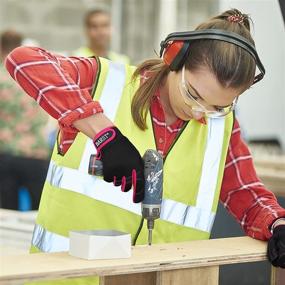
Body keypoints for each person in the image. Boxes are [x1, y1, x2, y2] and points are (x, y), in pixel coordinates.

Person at [5, 8, 285, 284]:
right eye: (193, 94)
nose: (200, 113)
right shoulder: (105, 83)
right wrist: (104, 134)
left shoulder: (222, 126)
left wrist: (276, 224)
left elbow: (244, 192)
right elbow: (23, 61)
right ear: (174, 58)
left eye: (217, 107)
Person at [0, 30, 50, 210]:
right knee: (40, 211)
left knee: (7, 213)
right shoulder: (35, 76)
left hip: (5, 153)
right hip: (35, 153)